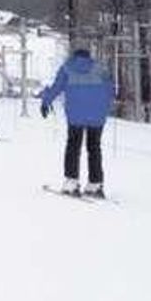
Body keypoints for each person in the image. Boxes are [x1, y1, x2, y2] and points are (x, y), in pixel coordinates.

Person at [40, 47, 113, 198]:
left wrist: (46, 102)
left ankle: (72, 182)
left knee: (73, 146)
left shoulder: (67, 68)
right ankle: (95, 184)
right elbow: (110, 90)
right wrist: (105, 109)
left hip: (76, 116)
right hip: (97, 116)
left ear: (75, 56)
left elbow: (56, 88)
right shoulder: (100, 69)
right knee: (94, 148)